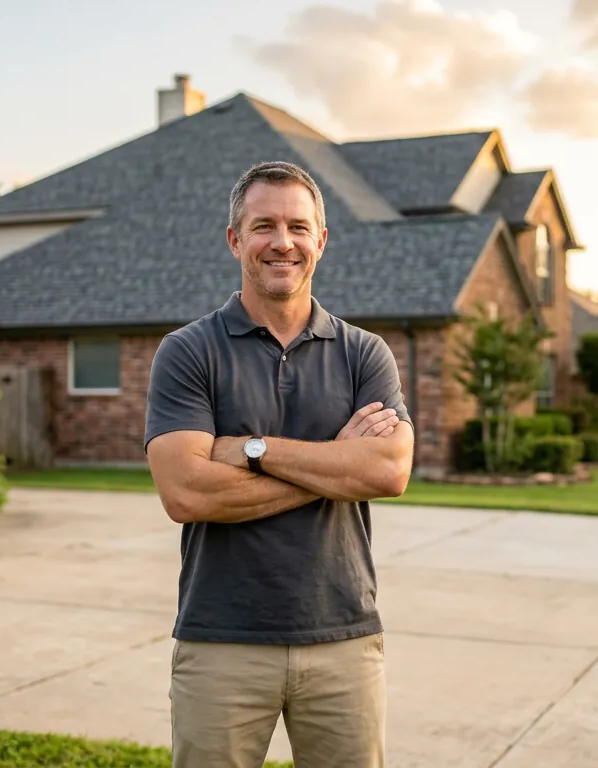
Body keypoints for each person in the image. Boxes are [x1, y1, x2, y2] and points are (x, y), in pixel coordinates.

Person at [143, 160, 414, 768]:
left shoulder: (364, 353)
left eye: (298, 226)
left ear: (321, 239)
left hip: (344, 635)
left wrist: (252, 451)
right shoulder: (188, 352)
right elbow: (186, 493)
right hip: (221, 639)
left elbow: (389, 473)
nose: (282, 242)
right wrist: (338, 465)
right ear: (235, 239)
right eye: (263, 225)